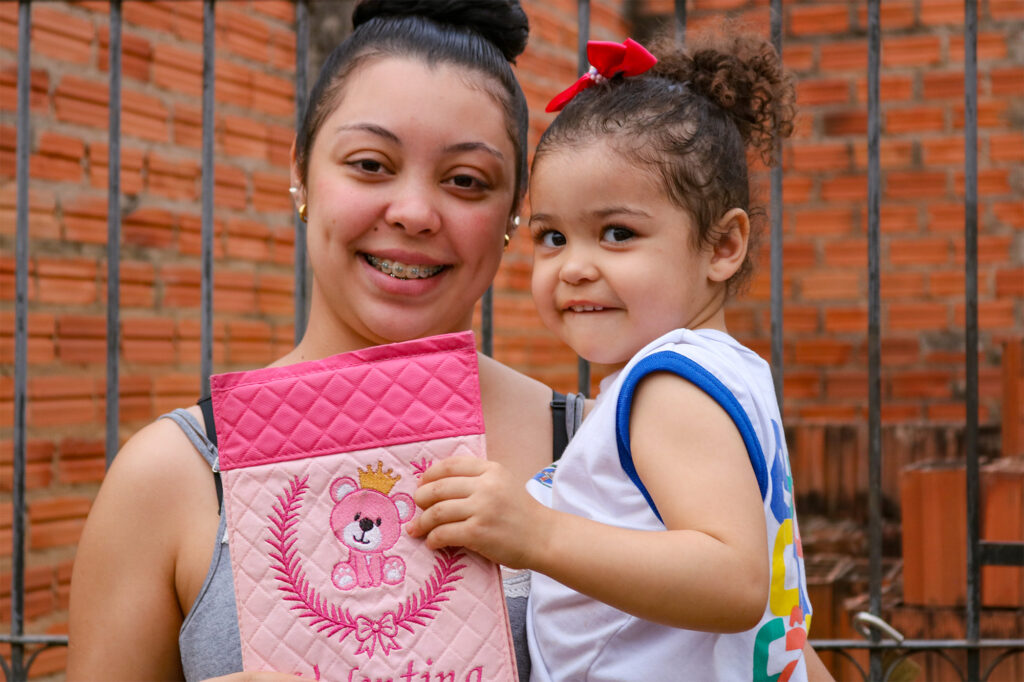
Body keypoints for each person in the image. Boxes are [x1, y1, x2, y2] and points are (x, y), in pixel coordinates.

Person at [67, 2, 573, 680]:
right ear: (302, 173)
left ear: (514, 212)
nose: (415, 212)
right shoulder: (169, 480)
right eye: (370, 164)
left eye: (465, 181)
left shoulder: (599, 452)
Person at [411, 28, 829, 681]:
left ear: (723, 246)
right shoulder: (719, 374)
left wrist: (535, 534)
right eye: (552, 236)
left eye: (616, 233)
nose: (574, 267)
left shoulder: (670, 388)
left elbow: (735, 581)